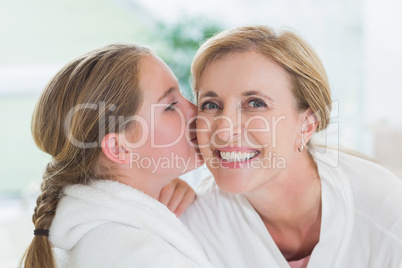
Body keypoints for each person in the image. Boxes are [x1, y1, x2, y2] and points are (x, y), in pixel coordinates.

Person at [180, 26, 402, 267]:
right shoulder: (194, 224)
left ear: (306, 125)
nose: (223, 130)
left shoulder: (386, 216)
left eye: (255, 103)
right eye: (211, 105)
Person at [21, 44, 212, 267]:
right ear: (118, 148)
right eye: (170, 106)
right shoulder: (146, 258)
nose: (196, 110)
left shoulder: (95, 239)